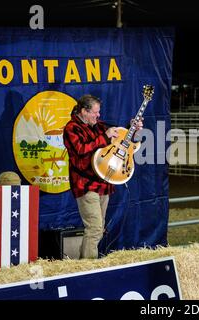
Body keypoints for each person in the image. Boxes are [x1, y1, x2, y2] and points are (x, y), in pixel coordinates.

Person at [63, 94, 143, 259]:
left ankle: (83, 265)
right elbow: (81, 150)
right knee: (94, 228)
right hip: (85, 185)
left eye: (98, 112)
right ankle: (88, 268)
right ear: (84, 111)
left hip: (103, 184)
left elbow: (121, 137)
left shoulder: (98, 126)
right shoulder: (71, 128)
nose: (98, 116)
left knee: (98, 229)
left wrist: (131, 127)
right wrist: (105, 137)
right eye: (95, 112)